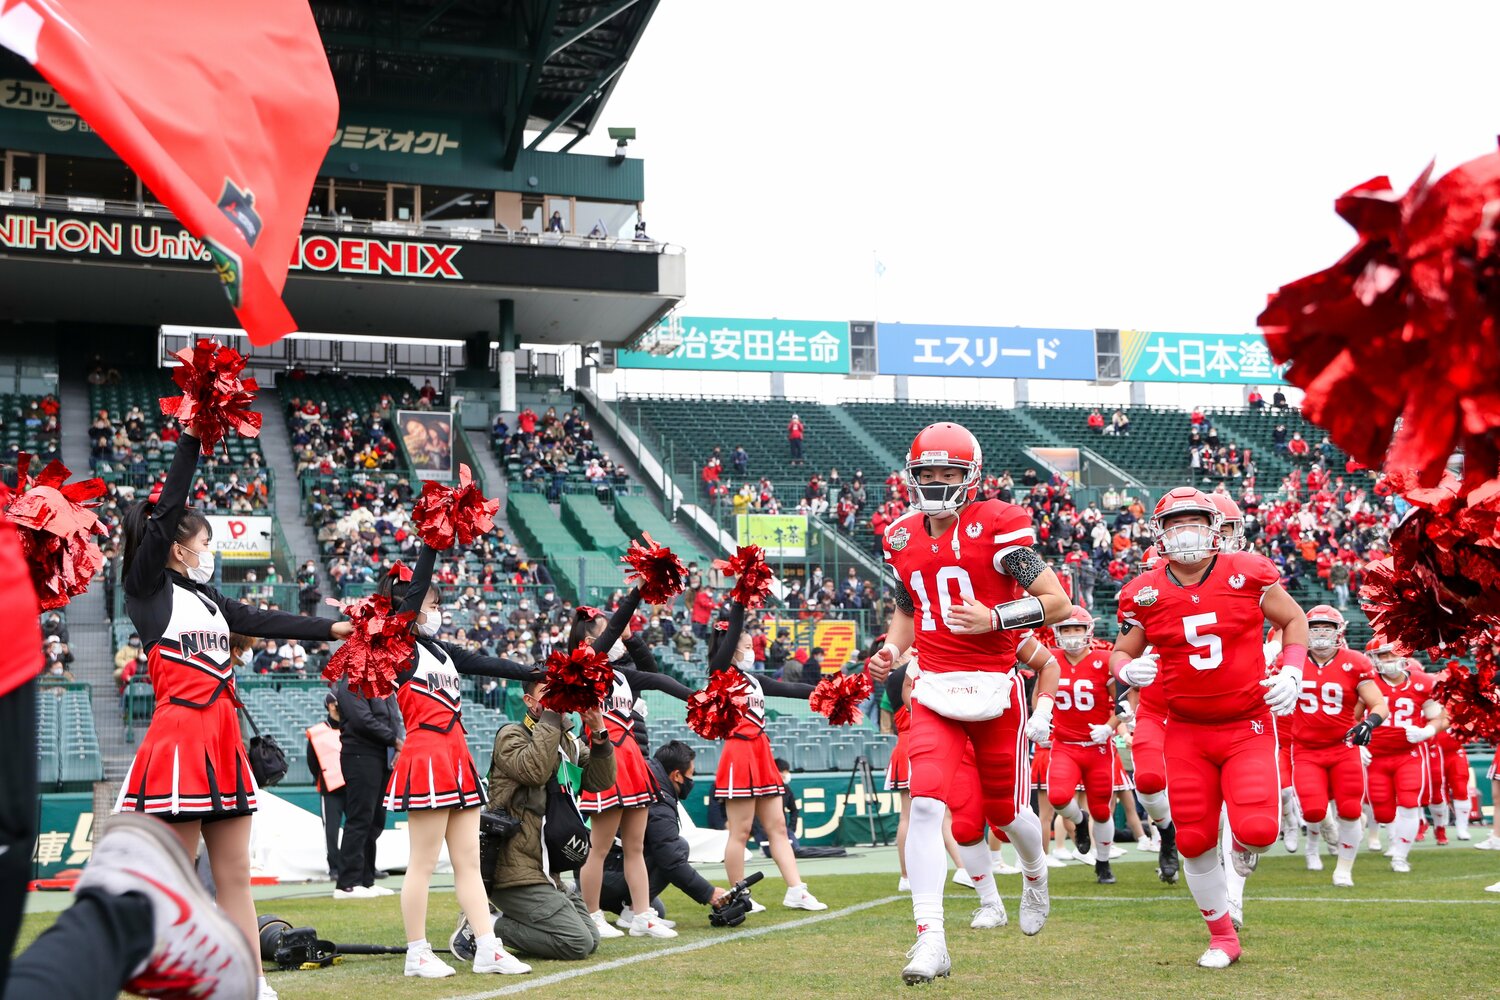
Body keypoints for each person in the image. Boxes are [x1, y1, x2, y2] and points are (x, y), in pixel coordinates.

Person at [116, 423, 352, 1000]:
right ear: (175, 543)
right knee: (180, 881)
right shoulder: (145, 587)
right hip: (180, 739)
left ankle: (252, 983)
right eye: (203, 542)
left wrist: (333, 628)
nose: (209, 552)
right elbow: (171, 501)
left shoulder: (209, 599)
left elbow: (262, 620)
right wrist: (196, 433)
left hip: (223, 741)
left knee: (234, 877)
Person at [864, 422, 1073, 985]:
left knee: (1007, 815)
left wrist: (997, 618)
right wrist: (891, 649)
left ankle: (1034, 872)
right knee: (930, 806)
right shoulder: (901, 535)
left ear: (970, 477)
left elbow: (1057, 601)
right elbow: (910, 605)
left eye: (947, 473)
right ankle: (931, 939)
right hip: (932, 686)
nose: (935, 483)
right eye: (926, 474)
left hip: (995, 686)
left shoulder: (998, 524)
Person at [1110, 486, 1309, 969]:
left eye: (1194, 521)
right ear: (1160, 534)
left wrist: (1293, 669)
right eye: (1174, 524)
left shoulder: (1249, 572)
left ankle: (1242, 844)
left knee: (1259, 830)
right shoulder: (1144, 591)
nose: (1185, 533)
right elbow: (1121, 651)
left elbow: (1294, 618)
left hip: (1247, 724)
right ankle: (1222, 937)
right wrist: (1125, 671)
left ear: (1215, 526)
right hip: (1186, 731)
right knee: (1195, 841)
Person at [377, 543, 535, 978]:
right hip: (426, 755)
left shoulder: (443, 652)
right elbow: (414, 592)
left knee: (468, 861)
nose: (437, 608)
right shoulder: (400, 646)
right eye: (430, 601)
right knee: (423, 864)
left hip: (456, 754)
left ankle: (487, 946)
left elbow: (490, 664)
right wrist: (433, 537)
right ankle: (416, 952)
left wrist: (538, 673)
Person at [453, 675, 616, 962]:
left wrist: (599, 731)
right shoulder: (511, 735)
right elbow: (535, 771)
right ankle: (485, 926)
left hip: (547, 869)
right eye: (549, 693)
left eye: (560, 692)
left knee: (591, 940)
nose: (558, 699)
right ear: (529, 701)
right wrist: (553, 716)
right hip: (513, 870)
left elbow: (600, 781)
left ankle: (493, 920)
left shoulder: (568, 741)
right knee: (576, 942)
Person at [571, 599, 696, 941]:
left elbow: (656, 677)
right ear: (590, 642)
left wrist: (696, 697)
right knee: (597, 847)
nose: (617, 642)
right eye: (608, 636)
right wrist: (637, 594)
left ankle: (641, 914)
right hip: (606, 763)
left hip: (633, 766)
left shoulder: (624, 676)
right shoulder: (584, 670)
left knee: (636, 847)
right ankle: (593, 913)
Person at [709, 590, 826, 911]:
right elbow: (733, 628)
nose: (751, 651)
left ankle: (796, 889)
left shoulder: (754, 679)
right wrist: (740, 598)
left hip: (761, 752)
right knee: (741, 830)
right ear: (731, 649)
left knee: (778, 827)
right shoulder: (720, 674)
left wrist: (831, 691)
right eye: (746, 647)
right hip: (738, 753)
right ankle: (739, 892)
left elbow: (793, 689)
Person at [1289, 608, 1386, 886]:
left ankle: (1344, 868)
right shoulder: (1290, 660)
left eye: (1326, 627)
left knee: (1350, 809)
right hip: (1306, 749)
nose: (1320, 633)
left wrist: (1369, 723)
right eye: (1315, 627)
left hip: (1343, 747)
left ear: (1338, 630)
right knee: (1314, 811)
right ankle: (1326, 831)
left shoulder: (1354, 662)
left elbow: (1378, 703)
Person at [598, 741, 730, 923]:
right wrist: (709, 893)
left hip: (608, 870)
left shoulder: (652, 783)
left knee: (657, 910)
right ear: (676, 775)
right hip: (608, 876)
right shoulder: (658, 799)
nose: (691, 780)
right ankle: (633, 911)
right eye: (690, 774)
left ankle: (585, 893)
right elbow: (671, 859)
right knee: (678, 847)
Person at [1041, 607, 1121, 884]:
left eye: (1076, 629)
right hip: (1065, 744)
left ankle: (1103, 862)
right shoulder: (1050, 660)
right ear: (1057, 633)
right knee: (1058, 797)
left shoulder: (1105, 659)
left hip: (1097, 746)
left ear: (1088, 631)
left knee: (1101, 810)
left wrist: (1108, 727)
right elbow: (1040, 697)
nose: (1072, 635)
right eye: (1065, 629)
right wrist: (1041, 721)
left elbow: (1121, 704)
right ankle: (1078, 820)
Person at [1364, 637, 1447, 874]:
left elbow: (1440, 717)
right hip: (1375, 755)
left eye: (1393, 653)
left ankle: (1400, 855)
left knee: (1410, 803)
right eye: (1383, 655)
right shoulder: (1367, 683)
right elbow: (1352, 716)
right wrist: (1358, 744)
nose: (1389, 659)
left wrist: (1426, 731)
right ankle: (1392, 840)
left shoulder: (1422, 682)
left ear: (1404, 655)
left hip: (1408, 754)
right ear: (1375, 659)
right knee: (1382, 811)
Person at [332, 670, 402, 898]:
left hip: (382, 756)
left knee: (375, 820)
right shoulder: (352, 681)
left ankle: (366, 879)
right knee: (360, 817)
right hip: (360, 754)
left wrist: (396, 742)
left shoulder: (382, 681)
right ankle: (347, 883)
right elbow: (362, 720)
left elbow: (395, 719)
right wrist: (395, 740)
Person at [306, 692, 348, 879]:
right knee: (331, 830)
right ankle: (334, 868)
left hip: (352, 786)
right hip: (330, 789)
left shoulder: (352, 727)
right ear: (331, 705)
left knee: (358, 827)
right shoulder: (318, 732)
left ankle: (356, 865)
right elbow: (312, 762)